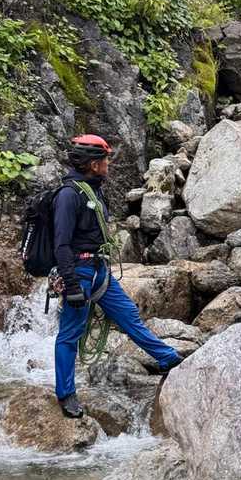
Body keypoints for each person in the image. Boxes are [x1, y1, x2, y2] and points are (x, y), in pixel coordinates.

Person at [53, 134, 181, 418]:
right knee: (70, 334)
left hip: (99, 270)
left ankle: (167, 358)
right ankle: (66, 394)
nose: (108, 164)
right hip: (79, 273)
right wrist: (71, 285)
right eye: (105, 160)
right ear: (93, 164)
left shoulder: (93, 190)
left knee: (128, 315)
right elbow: (60, 244)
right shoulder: (68, 195)